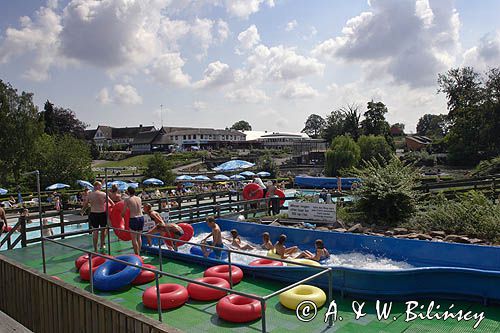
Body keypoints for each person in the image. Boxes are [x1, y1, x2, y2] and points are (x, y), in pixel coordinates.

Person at [82, 181, 114, 252]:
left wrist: (82, 211)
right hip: (102, 213)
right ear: (96, 186)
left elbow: (86, 204)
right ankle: (102, 245)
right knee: (103, 230)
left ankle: (96, 248)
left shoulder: (90, 195)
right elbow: (112, 203)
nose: (101, 187)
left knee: (95, 231)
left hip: (94, 214)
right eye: (100, 186)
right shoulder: (103, 194)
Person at [123, 187, 144, 256]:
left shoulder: (127, 199)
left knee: (134, 238)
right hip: (141, 217)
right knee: (139, 237)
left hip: (134, 218)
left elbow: (124, 210)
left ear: (128, 192)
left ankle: (136, 255)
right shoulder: (139, 198)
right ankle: (139, 253)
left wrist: (121, 215)